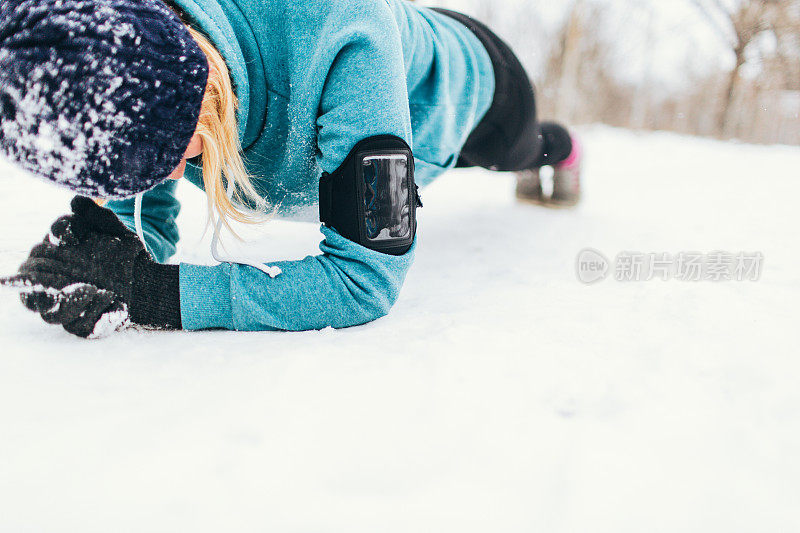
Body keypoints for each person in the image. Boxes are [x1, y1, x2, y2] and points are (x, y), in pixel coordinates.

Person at [0, 0, 581, 338]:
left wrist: (153, 295)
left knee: (522, 152)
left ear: (195, 86)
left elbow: (365, 281)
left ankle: (564, 150)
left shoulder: (349, 42)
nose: (165, 175)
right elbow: (141, 198)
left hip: (481, 89)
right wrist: (109, 239)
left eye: (167, 157)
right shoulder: (145, 47)